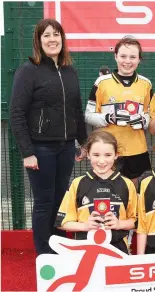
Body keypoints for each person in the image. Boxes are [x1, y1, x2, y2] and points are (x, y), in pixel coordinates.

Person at [9, 19, 87, 255]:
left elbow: (76, 109)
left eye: (56, 34)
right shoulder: (28, 71)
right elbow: (16, 113)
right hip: (40, 150)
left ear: (62, 39)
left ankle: (59, 247)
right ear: (38, 41)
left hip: (65, 149)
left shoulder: (69, 71)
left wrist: (82, 142)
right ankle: (44, 252)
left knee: (60, 200)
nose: (52, 39)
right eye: (46, 35)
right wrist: (27, 152)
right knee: (44, 202)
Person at [55, 130, 137, 254]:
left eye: (108, 155)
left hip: (118, 252)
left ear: (116, 155)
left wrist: (119, 224)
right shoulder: (77, 183)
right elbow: (62, 223)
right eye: (96, 155)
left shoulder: (127, 184)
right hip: (84, 252)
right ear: (88, 154)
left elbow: (135, 222)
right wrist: (85, 226)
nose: (102, 161)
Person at [85, 36, 152, 186]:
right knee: (108, 191)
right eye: (123, 56)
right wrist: (109, 117)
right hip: (108, 150)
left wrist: (143, 121)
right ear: (115, 56)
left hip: (136, 149)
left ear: (139, 59)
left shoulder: (146, 84)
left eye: (133, 57)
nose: (127, 61)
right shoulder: (102, 83)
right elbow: (88, 116)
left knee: (133, 194)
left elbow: (149, 116)